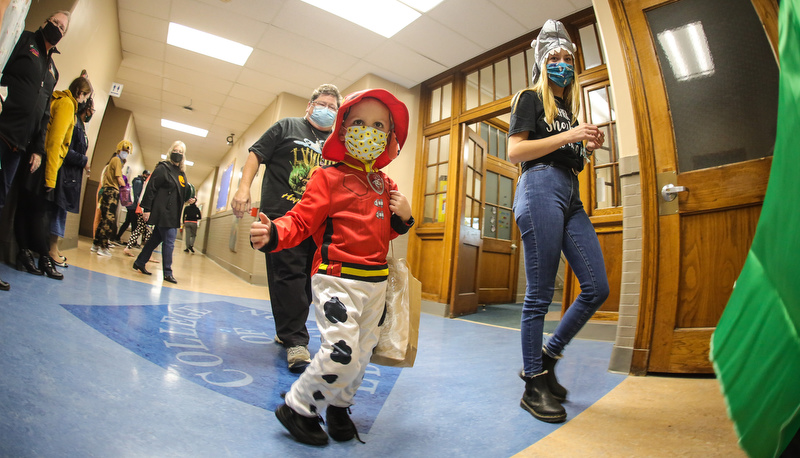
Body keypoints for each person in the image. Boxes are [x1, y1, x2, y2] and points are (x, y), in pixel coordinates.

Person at [250, 88, 414, 446]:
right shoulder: (327, 178)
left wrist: (405, 217)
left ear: (389, 137)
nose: (368, 131)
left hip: (376, 285)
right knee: (340, 351)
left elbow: (385, 233)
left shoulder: (385, 185)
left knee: (362, 354)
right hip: (337, 280)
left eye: (378, 125)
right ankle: (297, 407)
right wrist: (274, 232)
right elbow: (301, 221)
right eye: (358, 123)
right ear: (342, 131)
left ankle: (339, 407)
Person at [507, 19, 608, 424]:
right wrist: (569, 138)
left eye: (568, 58)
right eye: (555, 58)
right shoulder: (529, 98)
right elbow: (517, 152)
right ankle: (533, 383)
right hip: (539, 187)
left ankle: (547, 356)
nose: (562, 63)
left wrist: (586, 145)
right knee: (540, 293)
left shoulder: (567, 110)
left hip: (571, 195)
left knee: (596, 287)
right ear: (542, 63)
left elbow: (571, 157)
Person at [231, 83, 342, 372]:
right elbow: (255, 155)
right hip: (283, 218)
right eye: (322, 103)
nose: (327, 110)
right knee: (288, 277)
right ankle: (296, 341)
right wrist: (243, 189)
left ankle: (286, 330)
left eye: (333, 107)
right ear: (309, 105)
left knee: (306, 282)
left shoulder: (336, 146)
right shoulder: (287, 127)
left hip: (317, 224)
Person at [0, 10, 69, 290]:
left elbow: (43, 116)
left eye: (62, 27)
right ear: (45, 22)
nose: (57, 27)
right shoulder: (24, 41)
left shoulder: (52, 71)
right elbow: (3, 68)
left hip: (20, 147)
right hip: (2, 132)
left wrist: (38, 150)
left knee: (0, 199)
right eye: (54, 22)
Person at [14, 74, 91, 279]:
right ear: (80, 94)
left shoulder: (58, 100)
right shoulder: (67, 105)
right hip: (45, 165)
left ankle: (24, 253)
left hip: (34, 160)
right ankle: (45, 259)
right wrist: (50, 178)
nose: (85, 102)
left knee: (24, 210)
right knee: (39, 214)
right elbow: (55, 143)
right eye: (86, 97)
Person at [132, 141, 192, 284]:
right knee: (170, 241)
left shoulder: (181, 174)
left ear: (183, 156)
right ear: (170, 151)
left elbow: (180, 193)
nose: (177, 153)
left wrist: (188, 199)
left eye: (180, 152)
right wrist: (147, 209)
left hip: (173, 212)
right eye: (175, 150)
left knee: (155, 239)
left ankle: (140, 262)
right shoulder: (162, 168)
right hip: (163, 211)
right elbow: (151, 188)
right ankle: (167, 272)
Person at [49, 94, 94, 268]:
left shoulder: (81, 126)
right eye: (91, 108)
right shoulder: (75, 123)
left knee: (62, 213)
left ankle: (55, 247)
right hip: (66, 174)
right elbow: (66, 150)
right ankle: (52, 249)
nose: (91, 112)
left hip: (72, 177)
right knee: (58, 211)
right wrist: (84, 160)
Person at [92, 140, 130, 256]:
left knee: (104, 219)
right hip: (112, 192)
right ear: (119, 150)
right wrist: (126, 188)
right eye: (125, 151)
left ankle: (96, 244)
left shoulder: (112, 162)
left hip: (107, 191)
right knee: (108, 219)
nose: (126, 153)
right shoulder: (117, 160)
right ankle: (103, 247)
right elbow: (119, 178)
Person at [117, 169, 148, 245]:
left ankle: (117, 237)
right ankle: (132, 242)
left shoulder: (138, 181)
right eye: (146, 175)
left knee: (127, 222)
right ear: (144, 174)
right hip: (133, 206)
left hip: (131, 205)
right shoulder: (138, 181)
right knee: (134, 224)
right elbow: (137, 194)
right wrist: (139, 205)